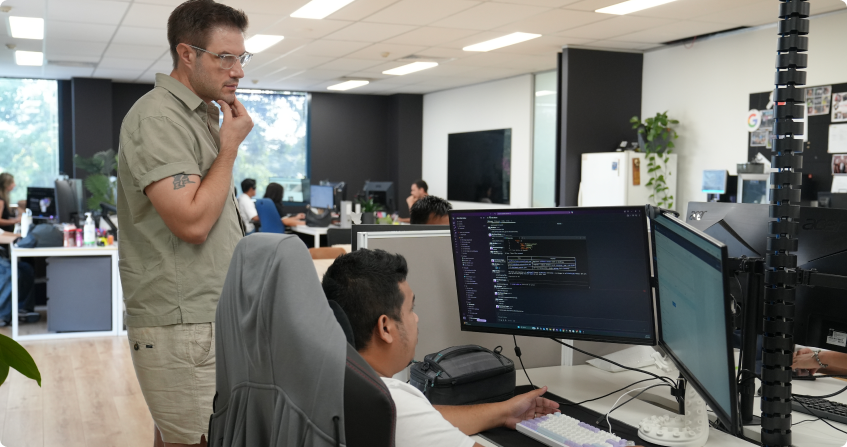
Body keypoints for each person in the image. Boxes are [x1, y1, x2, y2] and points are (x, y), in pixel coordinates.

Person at [116, 1, 252, 446]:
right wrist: (229, 149)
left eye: (241, 57)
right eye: (225, 57)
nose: (238, 71)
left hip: (202, 314)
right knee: (197, 439)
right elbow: (192, 222)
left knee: (183, 435)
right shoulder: (159, 116)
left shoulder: (198, 115)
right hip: (185, 321)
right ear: (187, 54)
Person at [322, 249, 560, 447]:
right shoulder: (386, 402)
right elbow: (409, 418)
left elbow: (427, 420)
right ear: (385, 328)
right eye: (410, 310)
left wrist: (505, 411)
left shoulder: (334, 374)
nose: (415, 319)